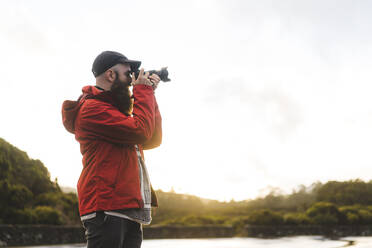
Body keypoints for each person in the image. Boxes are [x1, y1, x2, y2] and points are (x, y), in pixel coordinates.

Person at [62, 51, 162, 248]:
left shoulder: (115, 111)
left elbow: (152, 138)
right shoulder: (92, 109)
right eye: (128, 72)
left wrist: (150, 94)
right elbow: (141, 131)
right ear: (110, 74)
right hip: (107, 206)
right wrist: (143, 91)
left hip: (126, 206)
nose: (131, 77)